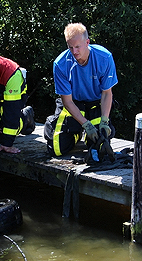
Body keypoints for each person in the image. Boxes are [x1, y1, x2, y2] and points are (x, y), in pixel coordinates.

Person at [44, 23, 118, 159]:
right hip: (74, 103)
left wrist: (104, 121)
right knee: (57, 149)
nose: (74, 52)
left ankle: (96, 130)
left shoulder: (104, 57)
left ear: (87, 42)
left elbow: (107, 93)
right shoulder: (60, 64)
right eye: (70, 47)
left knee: (99, 146)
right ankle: (76, 132)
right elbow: (67, 101)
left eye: (77, 47)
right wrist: (85, 124)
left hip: (96, 103)